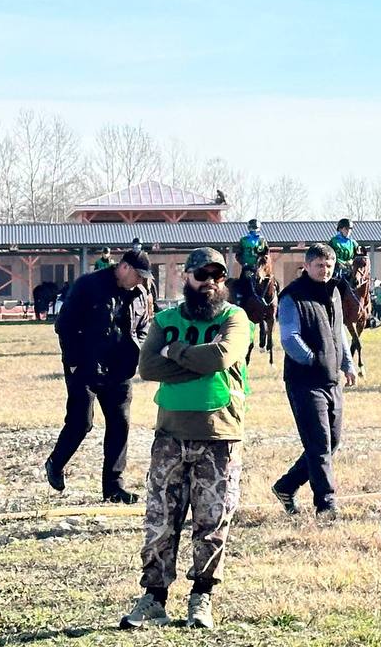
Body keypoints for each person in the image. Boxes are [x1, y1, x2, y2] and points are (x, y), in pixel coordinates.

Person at [120, 248, 254, 631]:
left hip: (219, 435)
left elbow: (221, 357)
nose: (209, 282)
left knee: (212, 522)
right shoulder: (165, 319)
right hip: (170, 436)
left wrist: (175, 353)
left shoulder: (235, 317)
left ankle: (202, 597)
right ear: (187, 278)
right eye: (201, 275)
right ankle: (154, 598)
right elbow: (147, 367)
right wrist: (193, 360)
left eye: (216, 276)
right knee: (161, 521)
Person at [45, 250, 153, 503]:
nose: (140, 281)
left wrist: (137, 354)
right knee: (81, 423)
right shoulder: (88, 285)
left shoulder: (139, 294)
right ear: (124, 267)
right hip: (85, 367)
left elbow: (143, 328)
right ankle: (55, 462)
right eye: (138, 275)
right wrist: (73, 362)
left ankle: (114, 488)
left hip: (120, 369)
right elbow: (64, 326)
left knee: (119, 425)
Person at [271, 244, 358, 517]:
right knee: (319, 444)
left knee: (332, 443)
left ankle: (286, 486)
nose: (325, 270)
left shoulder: (333, 292)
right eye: (320, 265)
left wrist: (347, 363)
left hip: (332, 380)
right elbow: (289, 338)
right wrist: (314, 359)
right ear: (307, 266)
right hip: (304, 382)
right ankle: (326, 504)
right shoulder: (292, 297)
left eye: (329, 265)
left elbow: (339, 330)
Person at [233, 219, 269, 303]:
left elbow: (266, 254)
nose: (254, 230)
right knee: (244, 280)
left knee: (271, 281)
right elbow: (238, 254)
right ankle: (240, 297)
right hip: (247, 266)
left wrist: (263, 263)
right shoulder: (243, 240)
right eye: (252, 227)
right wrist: (244, 263)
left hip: (259, 267)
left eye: (256, 227)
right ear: (249, 228)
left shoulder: (262, 240)